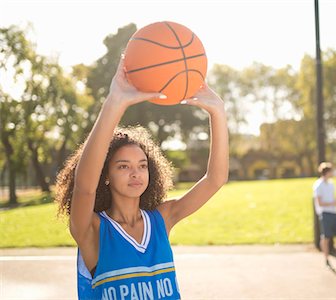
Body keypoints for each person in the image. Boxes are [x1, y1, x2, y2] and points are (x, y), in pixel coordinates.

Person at [55, 55, 228, 299]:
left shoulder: (161, 219)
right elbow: (84, 187)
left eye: (142, 165)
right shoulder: (93, 230)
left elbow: (215, 179)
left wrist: (217, 112)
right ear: (105, 175)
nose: (136, 173)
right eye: (123, 167)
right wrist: (115, 103)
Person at [312, 162, 336, 267]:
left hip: (334, 213)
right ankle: (326, 259)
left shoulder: (331, 184)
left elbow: (332, 198)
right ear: (327, 172)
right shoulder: (318, 185)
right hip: (325, 214)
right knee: (326, 238)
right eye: (331, 171)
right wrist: (333, 203)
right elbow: (320, 203)